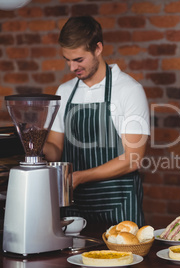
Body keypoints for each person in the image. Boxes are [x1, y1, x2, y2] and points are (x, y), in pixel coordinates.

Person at [44, 16, 150, 226]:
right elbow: (56, 147)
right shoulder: (64, 92)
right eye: (67, 59)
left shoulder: (128, 90)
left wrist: (80, 177)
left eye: (79, 60)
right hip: (73, 207)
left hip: (119, 206)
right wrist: (31, 142)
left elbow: (133, 158)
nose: (72, 67)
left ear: (98, 48)